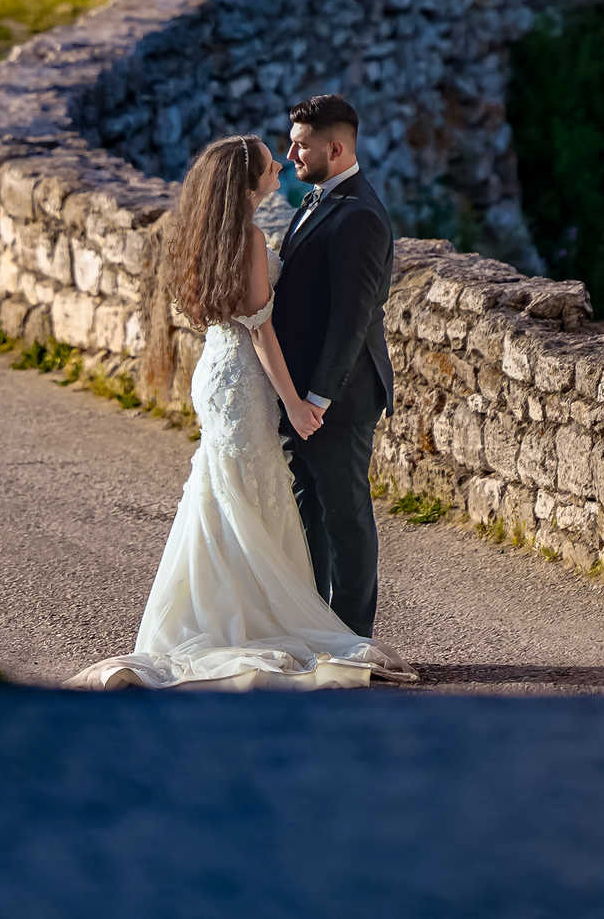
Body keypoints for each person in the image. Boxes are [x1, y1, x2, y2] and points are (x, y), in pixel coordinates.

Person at [70, 131, 396, 692]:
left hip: (216, 372)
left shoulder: (208, 233)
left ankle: (222, 613)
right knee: (247, 492)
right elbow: (262, 328)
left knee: (226, 492)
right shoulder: (245, 238)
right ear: (249, 184)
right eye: (271, 166)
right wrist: (296, 403)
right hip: (245, 378)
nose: (282, 170)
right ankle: (255, 621)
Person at [272, 91, 396, 641]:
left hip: (339, 395)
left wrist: (317, 398)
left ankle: (352, 637)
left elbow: (352, 318)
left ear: (337, 147)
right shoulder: (316, 198)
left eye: (301, 146)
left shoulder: (360, 217)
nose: (290, 155)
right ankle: (313, 626)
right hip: (303, 393)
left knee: (345, 513)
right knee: (308, 509)